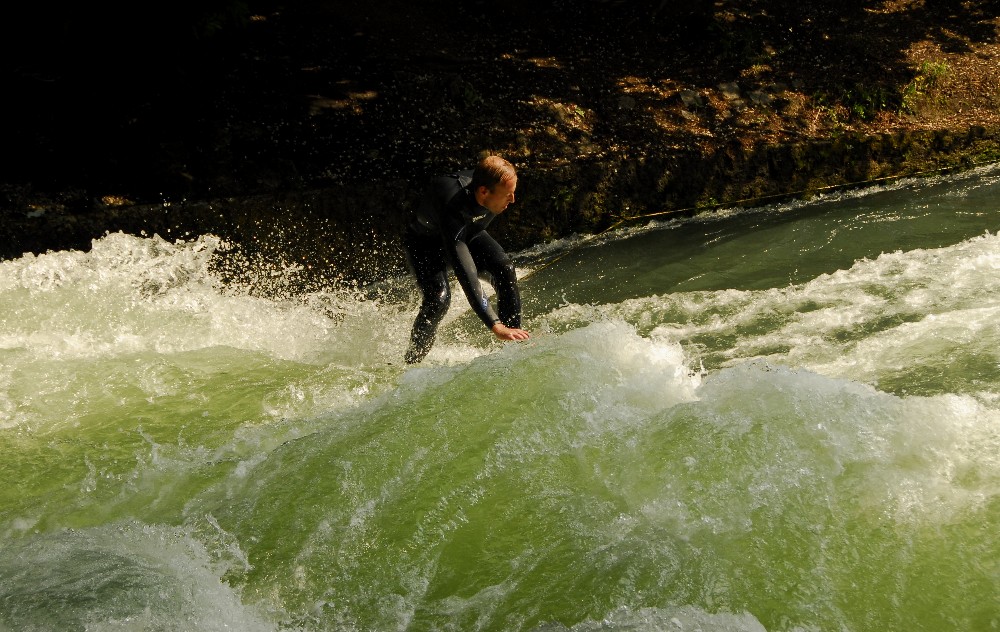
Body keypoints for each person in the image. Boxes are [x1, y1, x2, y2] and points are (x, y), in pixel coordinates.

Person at [403, 155, 531, 363]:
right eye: (508, 194)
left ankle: (514, 345)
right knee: (438, 299)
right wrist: (494, 324)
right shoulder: (453, 205)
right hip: (426, 244)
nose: (513, 200)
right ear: (483, 192)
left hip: (467, 233)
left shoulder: (491, 184)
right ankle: (411, 362)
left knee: (504, 269)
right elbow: (466, 274)